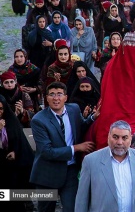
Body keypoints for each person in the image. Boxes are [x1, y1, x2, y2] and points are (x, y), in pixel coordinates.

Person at [30, 81, 98, 212]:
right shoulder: (38, 120)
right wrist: (76, 148)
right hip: (47, 174)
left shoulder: (74, 109)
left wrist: (93, 117)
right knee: (45, 210)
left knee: (72, 208)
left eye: (60, 94)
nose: (56, 98)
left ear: (66, 97)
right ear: (46, 97)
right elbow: (47, 152)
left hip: (70, 172)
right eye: (52, 94)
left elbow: (80, 126)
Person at [75, 120, 135, 212]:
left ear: (131, 138)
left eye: (124, 138)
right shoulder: (90, 161)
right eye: (115, 137)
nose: (120, 142)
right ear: (108, 137)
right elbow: (82, 200)